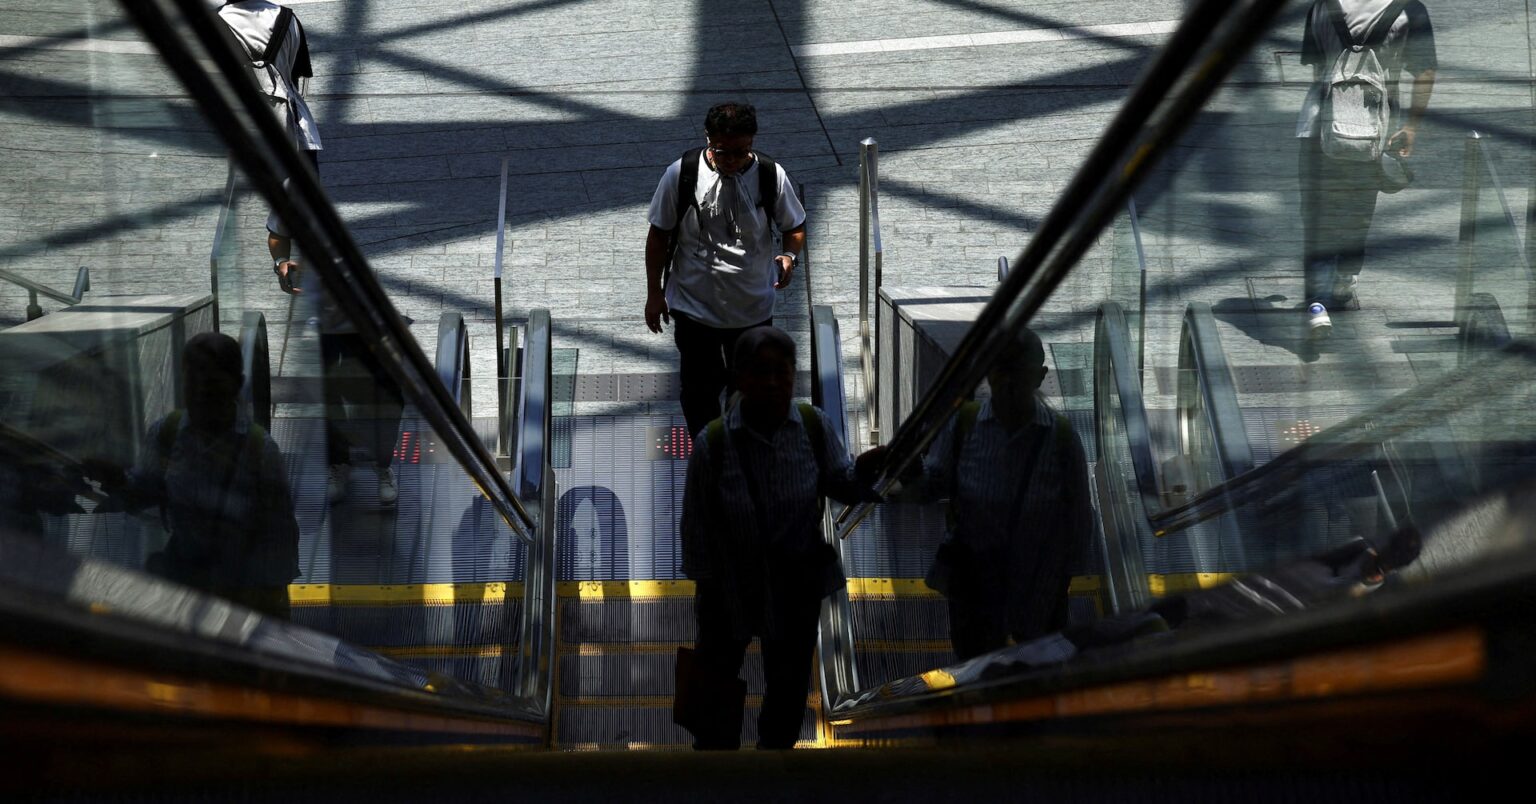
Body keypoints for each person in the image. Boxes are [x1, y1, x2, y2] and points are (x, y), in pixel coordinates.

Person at [677, 326, 883, 750]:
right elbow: (695, 528)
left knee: (788, 691)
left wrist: (868, 472)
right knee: (715, 691)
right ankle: (715, 764)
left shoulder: (812, 426)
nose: (773, 383)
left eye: (782, 372)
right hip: (730, 592)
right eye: (761, 372)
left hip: (795, 589)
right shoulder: (712, 445)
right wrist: (708, 596)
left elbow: (840, 480)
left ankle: (771, 765)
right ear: (739, 378)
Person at [88, 333, 300, 619]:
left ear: (237, 385)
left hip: (241, 587)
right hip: (186, 579)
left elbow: (281, 532)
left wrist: (272, 601)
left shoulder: (260, 450)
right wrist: (119, 480)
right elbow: (146, 489)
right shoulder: (166, 433)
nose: (200, 394)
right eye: (192, 383)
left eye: (211, 384)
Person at [912, 328, 1094, 660]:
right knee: (981, 668)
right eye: (1001, 369)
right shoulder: (965, 425)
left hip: (1038, 593)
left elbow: (1079, 519)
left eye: (1017, 371)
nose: (1008, 382)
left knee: (1029, 673)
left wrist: (1058, 584)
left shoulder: (1062, 439)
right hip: (977, 591)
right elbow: (932, 484)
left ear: (1038, 377)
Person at [644, 102, 808, 437]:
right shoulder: (682, 173)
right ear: (708, 139)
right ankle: (709, 450)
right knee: (698, 393)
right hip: (694, 308)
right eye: (722, 152)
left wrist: (789, 256)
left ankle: (743, 450)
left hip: (752, 308)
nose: (731, 160)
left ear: (752, 142)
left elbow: (794, 225)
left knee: (750, 392)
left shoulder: (770, 175)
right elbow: (659, 235)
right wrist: (654, 293)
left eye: (741, 152)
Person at [1297, 0, 1436, 337]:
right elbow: (1425, 72)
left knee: (1317, 213)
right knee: (1358, 209)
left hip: (1320, 128)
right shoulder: (1408, 9)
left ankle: (1316, 305)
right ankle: (1345, 277)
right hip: (1374, 129)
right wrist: (1411, 127)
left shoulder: (1322, 6)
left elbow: (1319, 67)